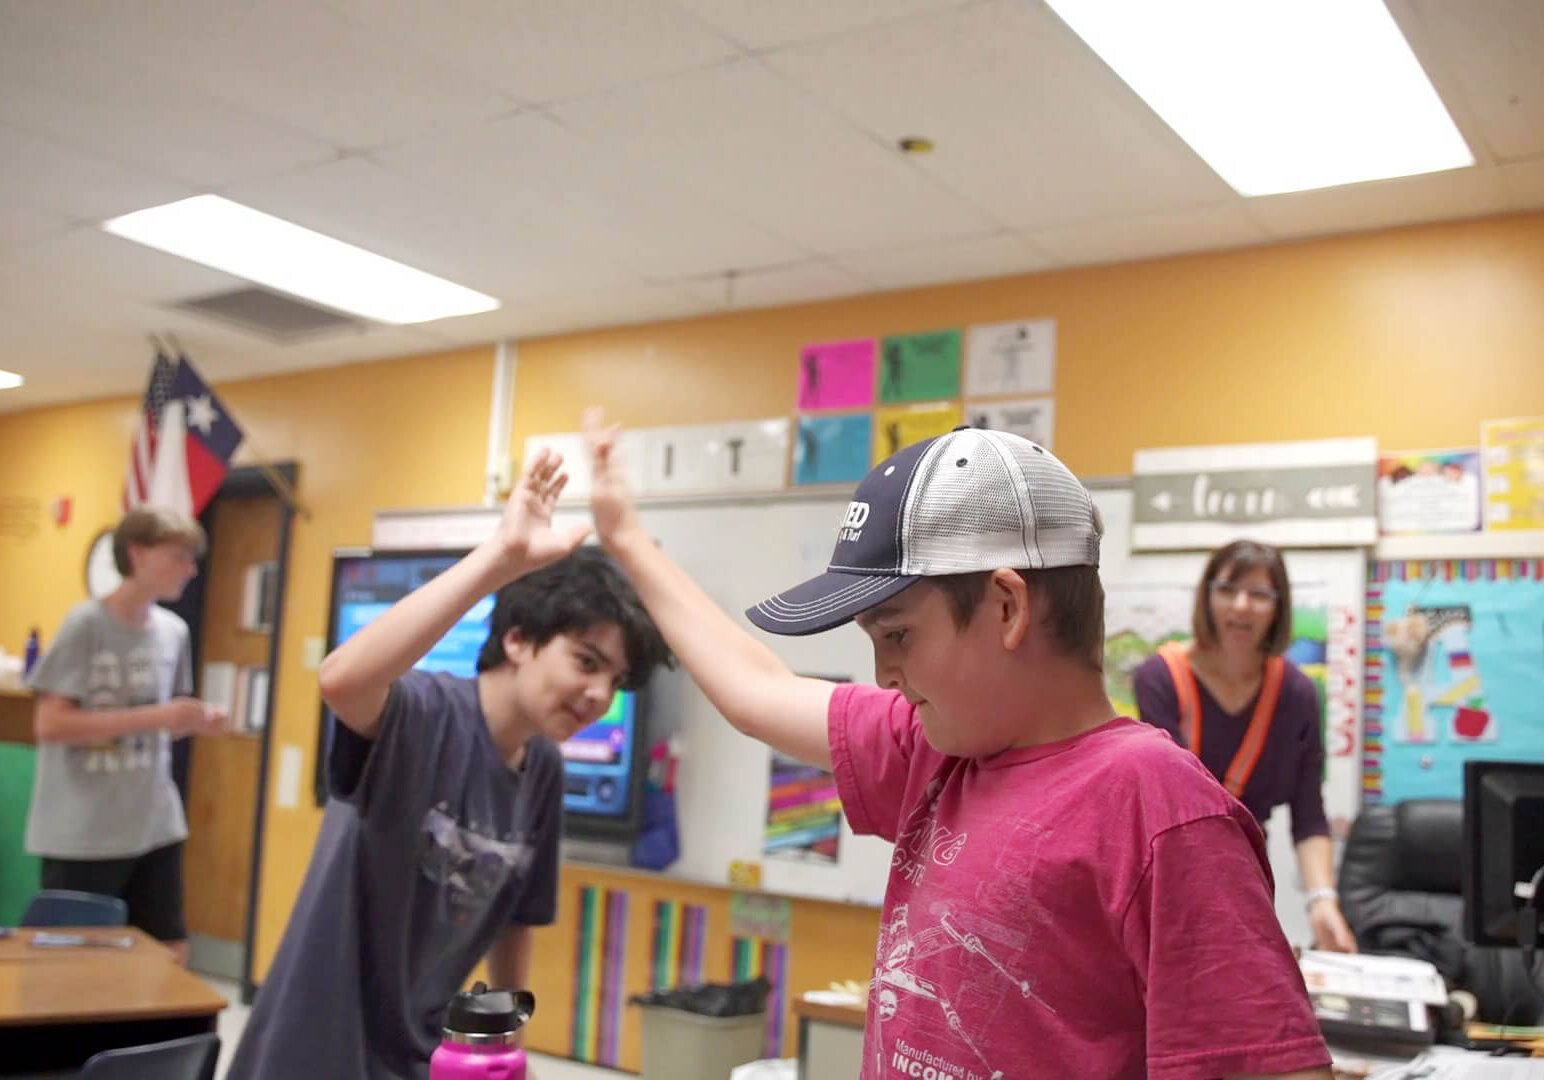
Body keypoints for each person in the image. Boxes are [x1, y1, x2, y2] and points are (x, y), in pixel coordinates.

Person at [583, 409, 1331, 1080]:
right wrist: (625, 539)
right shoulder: (937, 746)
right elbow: (757, 694)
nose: (885, 674)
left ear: (1008, 606)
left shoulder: (1163, 814)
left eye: (899, 635)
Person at [227, 450, 671, 1080]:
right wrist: (499, 560)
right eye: (587, 662)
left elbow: (518, 919)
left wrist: (507, 1045)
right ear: (518, 639)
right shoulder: (427, 713)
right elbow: (341, 679)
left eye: (617, 679)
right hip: (315, 1046)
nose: (600, 696)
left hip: (424, 1055)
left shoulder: (542, 765)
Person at [1133, 539, 1357, 954]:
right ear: (1207, 597)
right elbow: (1165, 800)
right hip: (1165, 878)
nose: (1241, 606)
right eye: (1227, 590)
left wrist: (1322, 900)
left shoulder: (1297, 694)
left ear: (1278, 607)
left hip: (1246, 881)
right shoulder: (1161, 678)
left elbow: (1308, 815)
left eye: (1259, 594)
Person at [26, 507, 224, 966]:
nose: (190, 570)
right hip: (84, 829)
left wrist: (194, 720)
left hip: (155, 823)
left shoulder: (175, 632)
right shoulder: (86, 624)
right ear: (137, 554)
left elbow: (163, 724)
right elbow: (50, 725)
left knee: (169, 950)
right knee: (70, 962)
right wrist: (156, 715)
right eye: (179, 556)